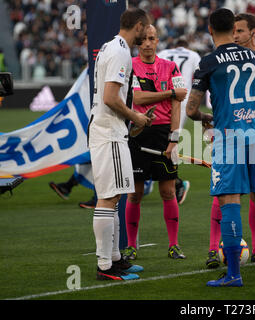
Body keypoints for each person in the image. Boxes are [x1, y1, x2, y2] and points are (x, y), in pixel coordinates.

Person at [186, 8, 255, 287]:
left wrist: (209, 117)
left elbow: (192, 109)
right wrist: (250, 109)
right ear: (233, 28)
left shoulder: (208, 62)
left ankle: (233, 275)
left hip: (229, 138)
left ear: (209, 29)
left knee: (229, 201)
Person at [88, 8, 152, 281]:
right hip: (108, 132)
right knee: (108, 198)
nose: (147, 36)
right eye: (146, 31)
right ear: (138, 26)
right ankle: (105, 266)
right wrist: (135, 116)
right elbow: (111, 97)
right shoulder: (121, 51)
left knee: (114, 197)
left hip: (110, 131)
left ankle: (114, 258)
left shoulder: (110, 47)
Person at [123, 25, 188, 262]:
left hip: (163, 134)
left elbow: (178, 103)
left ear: (158, 40)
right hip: (139, 132)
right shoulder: (130, 66)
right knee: (135, 194)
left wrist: (173, 138)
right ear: (138, 43)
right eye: (144, 40)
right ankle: (131, 246)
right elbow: (137, 98)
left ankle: (174, 245)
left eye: (152, 38)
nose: (148, 43)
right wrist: (170, 93)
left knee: (168, 191)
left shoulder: (170, 66)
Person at [158, 37, 202, 204]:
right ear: (186, 46)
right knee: (171, 141)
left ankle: (174, 180)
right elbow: (198, 78)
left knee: (163, 140)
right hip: (182, 101)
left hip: (161, 99)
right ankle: (174, 181)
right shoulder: (193, 55)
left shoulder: (163, 52)